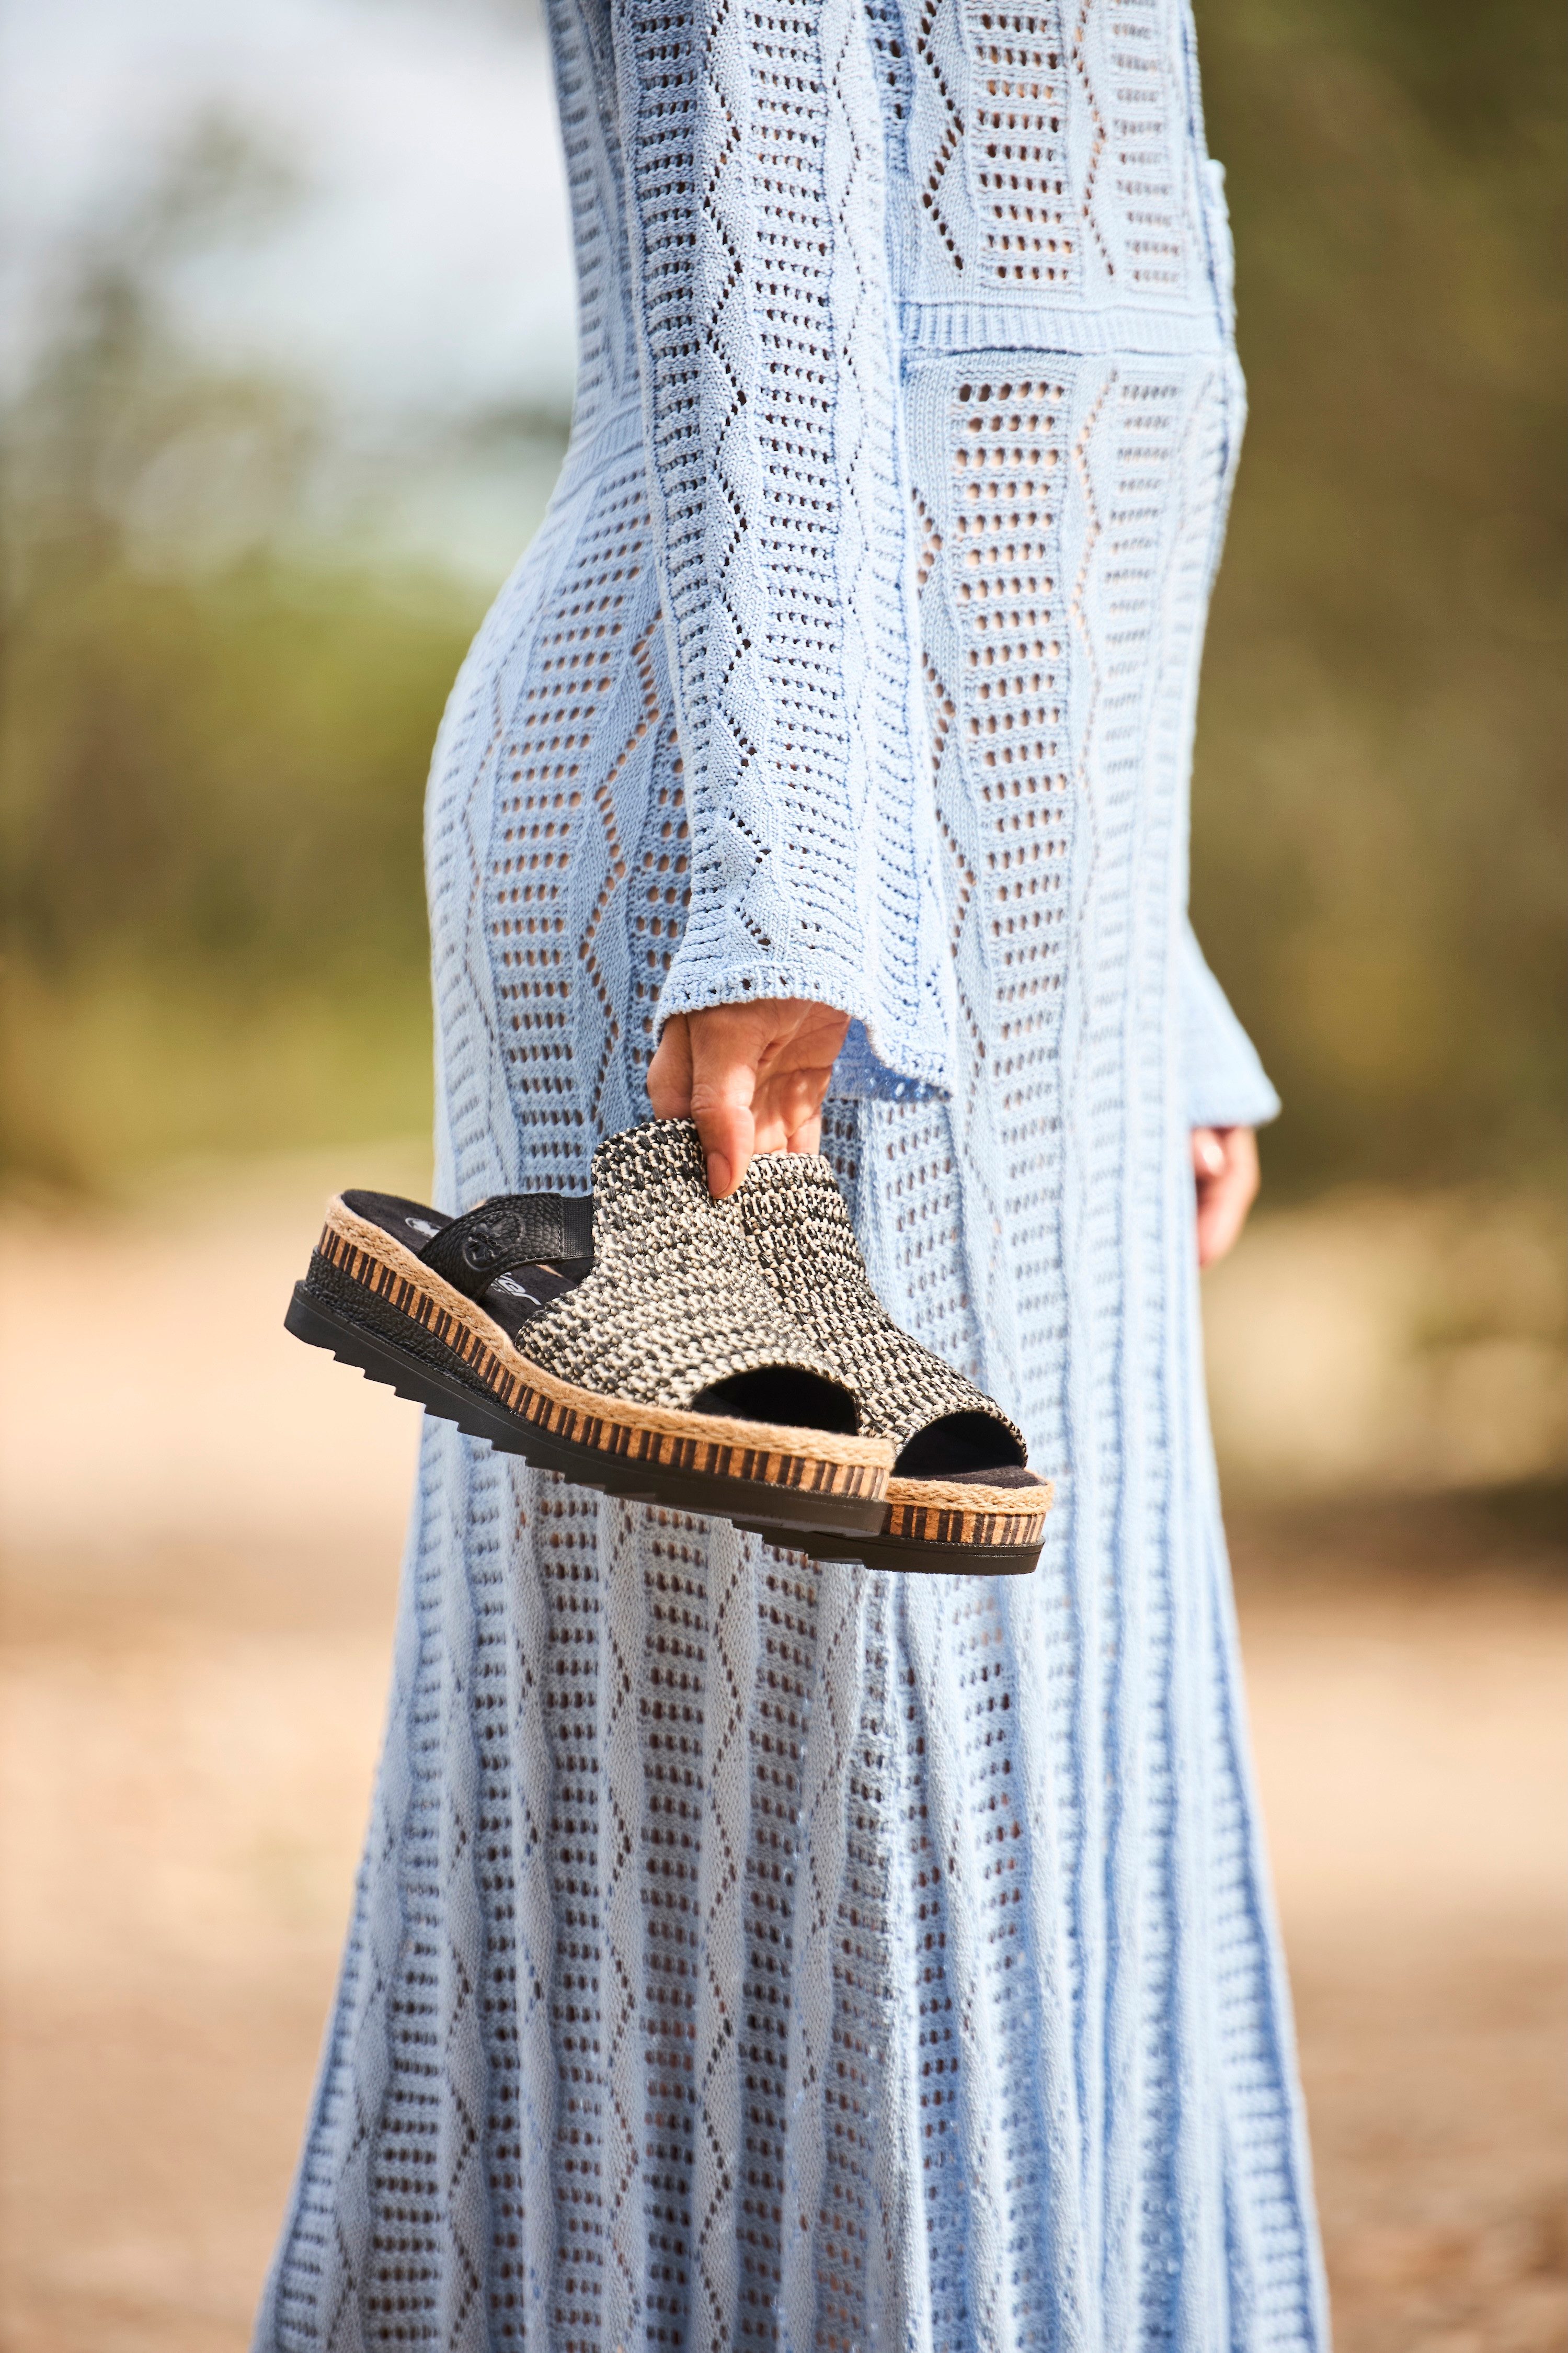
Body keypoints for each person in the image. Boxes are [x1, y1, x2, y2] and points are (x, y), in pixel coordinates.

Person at [256, 0, 1327, 2340]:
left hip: (989, 859)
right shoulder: (800, 862)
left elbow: (1103, 408)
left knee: (1031, 1755)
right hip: (776, 825)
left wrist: (1153, 968)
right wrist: (799, 893)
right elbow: (792, 280)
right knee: (838, 1829)